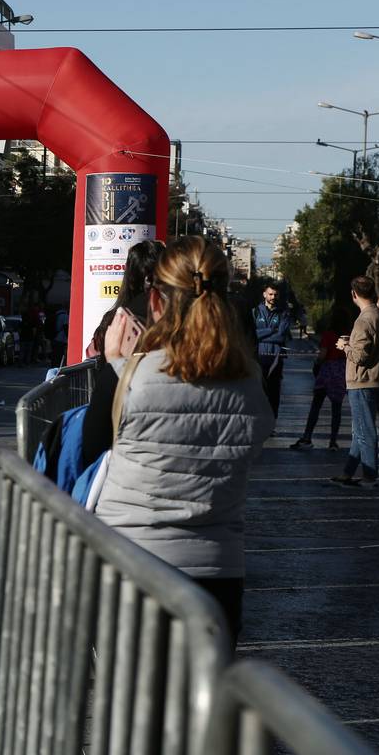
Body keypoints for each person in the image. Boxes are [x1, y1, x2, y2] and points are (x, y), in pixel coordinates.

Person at [95, 237, 272, 645]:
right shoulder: (250, 382)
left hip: (132, 562)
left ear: (156, 301)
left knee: (129, 683)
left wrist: (115, 364)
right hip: (219, 572)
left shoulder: (131, 377)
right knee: (204, 685)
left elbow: (92, 453)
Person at [81, 240, 165, 468]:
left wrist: (114, 361)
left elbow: (92, 445)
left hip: (121, 430)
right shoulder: (187, 332)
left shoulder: (115, 321)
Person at [331, 277, 379, 489]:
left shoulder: (364, 320)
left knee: (365, 431)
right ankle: (347, 473)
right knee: (360, 430)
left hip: (362, 382)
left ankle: (370, 477)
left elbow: (360, 357)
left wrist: (344, 346)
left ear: (354, 294)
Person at [291, 306, 351, 450]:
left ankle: (307, 437)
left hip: (327, 372)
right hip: (342, 372)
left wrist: (317, 363)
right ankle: (333, 441)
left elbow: (322, 355)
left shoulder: (328, 335)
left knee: (316, 405)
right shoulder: (349, 335)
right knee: (336, 408)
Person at [254, 281, 292, 423]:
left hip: (276, 358)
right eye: (270, 294)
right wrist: (271, 330)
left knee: (274, 392)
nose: (273, 297)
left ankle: (271, 422)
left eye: (275, 295)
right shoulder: (255, 312)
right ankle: (258, 421)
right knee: (258, 391)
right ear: (264, 294)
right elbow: (253, 334)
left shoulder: (284, 313)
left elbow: (281, 336)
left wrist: (262, 334)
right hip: (258, 357)